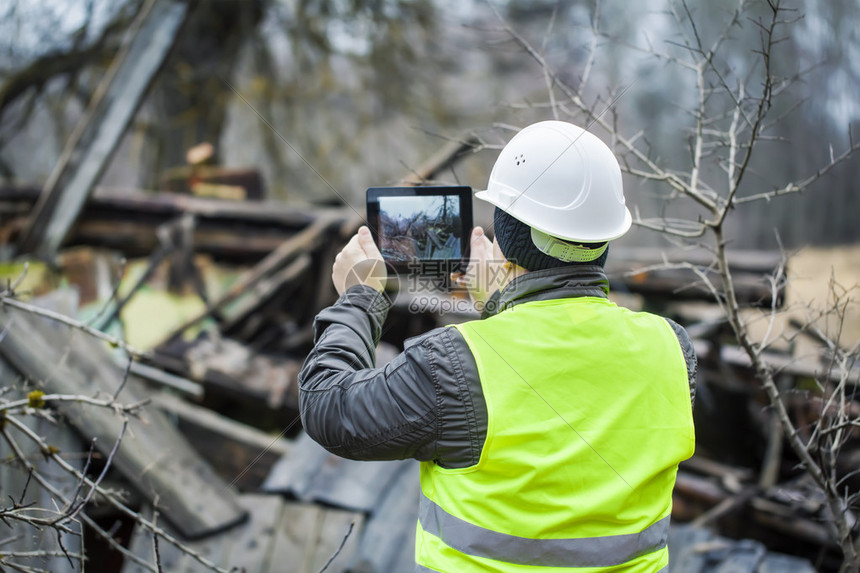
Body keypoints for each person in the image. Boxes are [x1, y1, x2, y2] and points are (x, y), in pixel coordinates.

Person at [299, 120, 697, 572]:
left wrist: (361, 296)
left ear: (506, 232)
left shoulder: (451, 363)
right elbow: (558, 394)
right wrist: (505, 305)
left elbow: (327, 406)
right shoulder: (673, 349)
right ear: (604, 236)